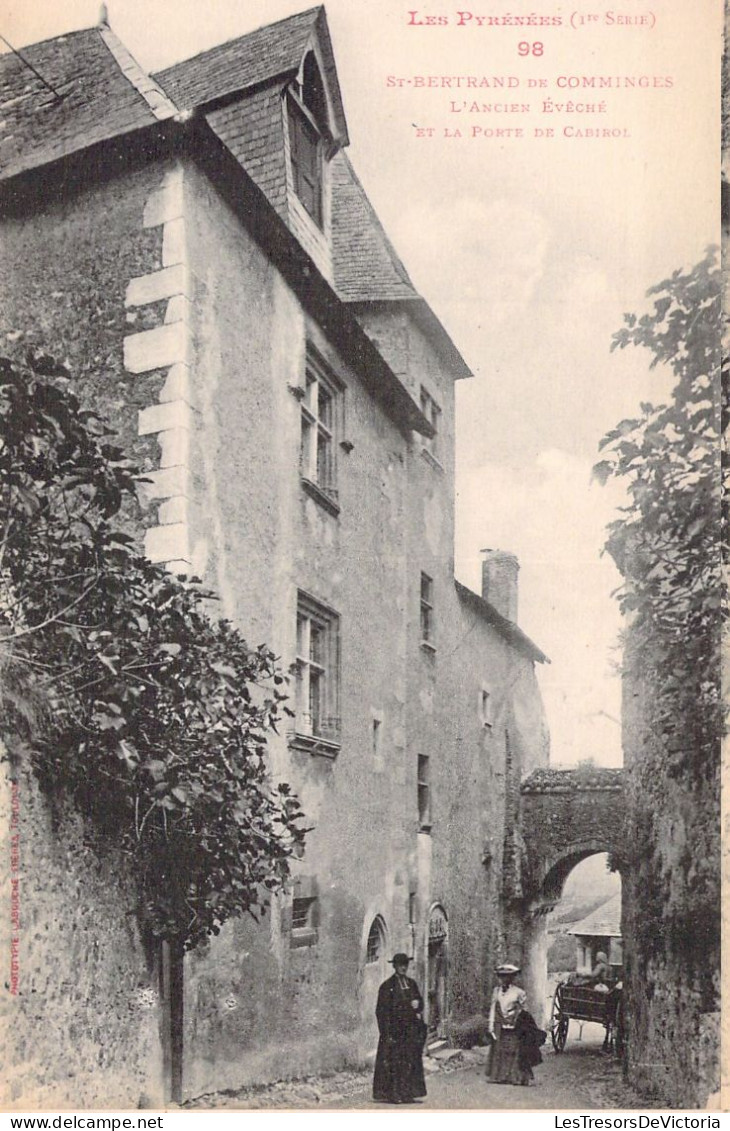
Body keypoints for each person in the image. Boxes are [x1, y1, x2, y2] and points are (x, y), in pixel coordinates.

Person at [372, 953, 427, 1104]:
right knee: (394, 1063)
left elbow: (420, 1003)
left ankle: (407, 1093)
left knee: (408, 1061)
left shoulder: (412, 984)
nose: (403, 967)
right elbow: (381, 1012)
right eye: (400, 964)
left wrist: (418, 1005)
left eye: (405, 965)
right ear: (394, 966)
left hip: (409, 1032)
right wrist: (386, 1033)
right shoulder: (387, 987)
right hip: (394, 1032)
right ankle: (393, 1094)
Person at [487, 963, 536, 1086]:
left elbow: (524, 1010)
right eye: (502, 976)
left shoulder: (519, 993)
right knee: (500, 1048)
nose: (505, 979)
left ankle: (516, 1077)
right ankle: (500, 1076)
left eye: (508, 976)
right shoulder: (496, 991)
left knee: (514, 1049)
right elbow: (493, 1008)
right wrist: (491, 1025)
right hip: (500, 1024)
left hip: (514, 1025)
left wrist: (518, 1020)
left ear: (513, 977)